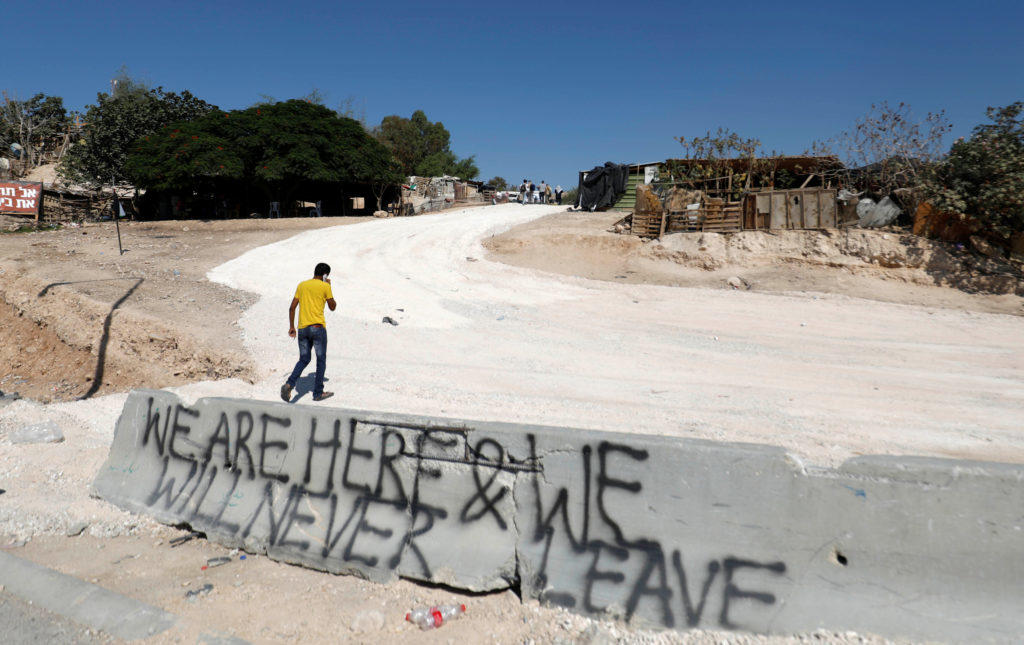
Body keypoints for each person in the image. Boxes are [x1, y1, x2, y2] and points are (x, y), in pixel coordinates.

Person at [281, 262, 337, 402]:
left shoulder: (302, 285)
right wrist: (329, 287)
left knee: (304, 359)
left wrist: (291, 327)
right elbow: (332, 307)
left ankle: (289, 383)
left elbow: (292, 307)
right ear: (325, 275)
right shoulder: (325, 286)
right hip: (317, 328)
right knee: (321, 359)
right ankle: (318, 393)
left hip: (302, 329)